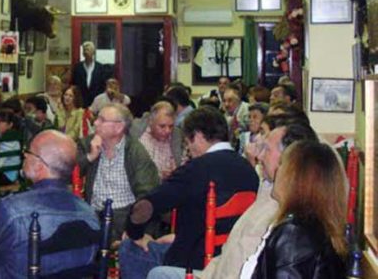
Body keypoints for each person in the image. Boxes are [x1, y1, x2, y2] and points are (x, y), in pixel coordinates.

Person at [145, 119, 319, 279]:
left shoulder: (283, 212)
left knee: (154, 269)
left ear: (288, 160)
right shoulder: (265, 189)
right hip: (214, 270)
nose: (259, 156)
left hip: (222, 273)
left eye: (266, 149)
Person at [119, 107, 259, 277]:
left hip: (194, 262)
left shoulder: (196, 169)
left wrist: (135, 233)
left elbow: (145, 207)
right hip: (231, 259)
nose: (188, 149)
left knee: (129, 247)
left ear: (198, 136)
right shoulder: (249, 170)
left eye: (187, 142)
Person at [0, 130, 100, 279]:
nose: (24, 154)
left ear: (40, 165)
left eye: (28, 152)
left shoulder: (12, 210)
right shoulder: (89, 214)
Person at [244, 141, 347, 278]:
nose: (276, 170)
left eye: (281, 164)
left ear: (296, 178)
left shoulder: (294, 235)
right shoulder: (315, 228)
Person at [77, 103, 160, 239]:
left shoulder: (136, 151)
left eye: (102, 120)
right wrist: (90, 157)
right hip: (93, 216)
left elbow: (147, 193)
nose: (95, 123)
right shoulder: (87, 144)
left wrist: (137, 231)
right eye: (97, 118)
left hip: (125, 217)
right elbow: (68, 174)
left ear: (119, 127)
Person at [131, 101, 185, 179]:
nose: (167, 131)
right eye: (162, 126)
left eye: (171, 126)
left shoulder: (177, 136)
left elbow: (184, 165)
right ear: (150, 122)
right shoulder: (136, 133)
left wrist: (177, 171)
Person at [71, 41, 112, 106]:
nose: (86, 52)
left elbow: (104, 85)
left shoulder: (100, 68)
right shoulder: (78, 67)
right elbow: (74, 84)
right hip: (81, 101)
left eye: (88, 49)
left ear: (93, 52)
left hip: (97, 101)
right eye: (84, 50)